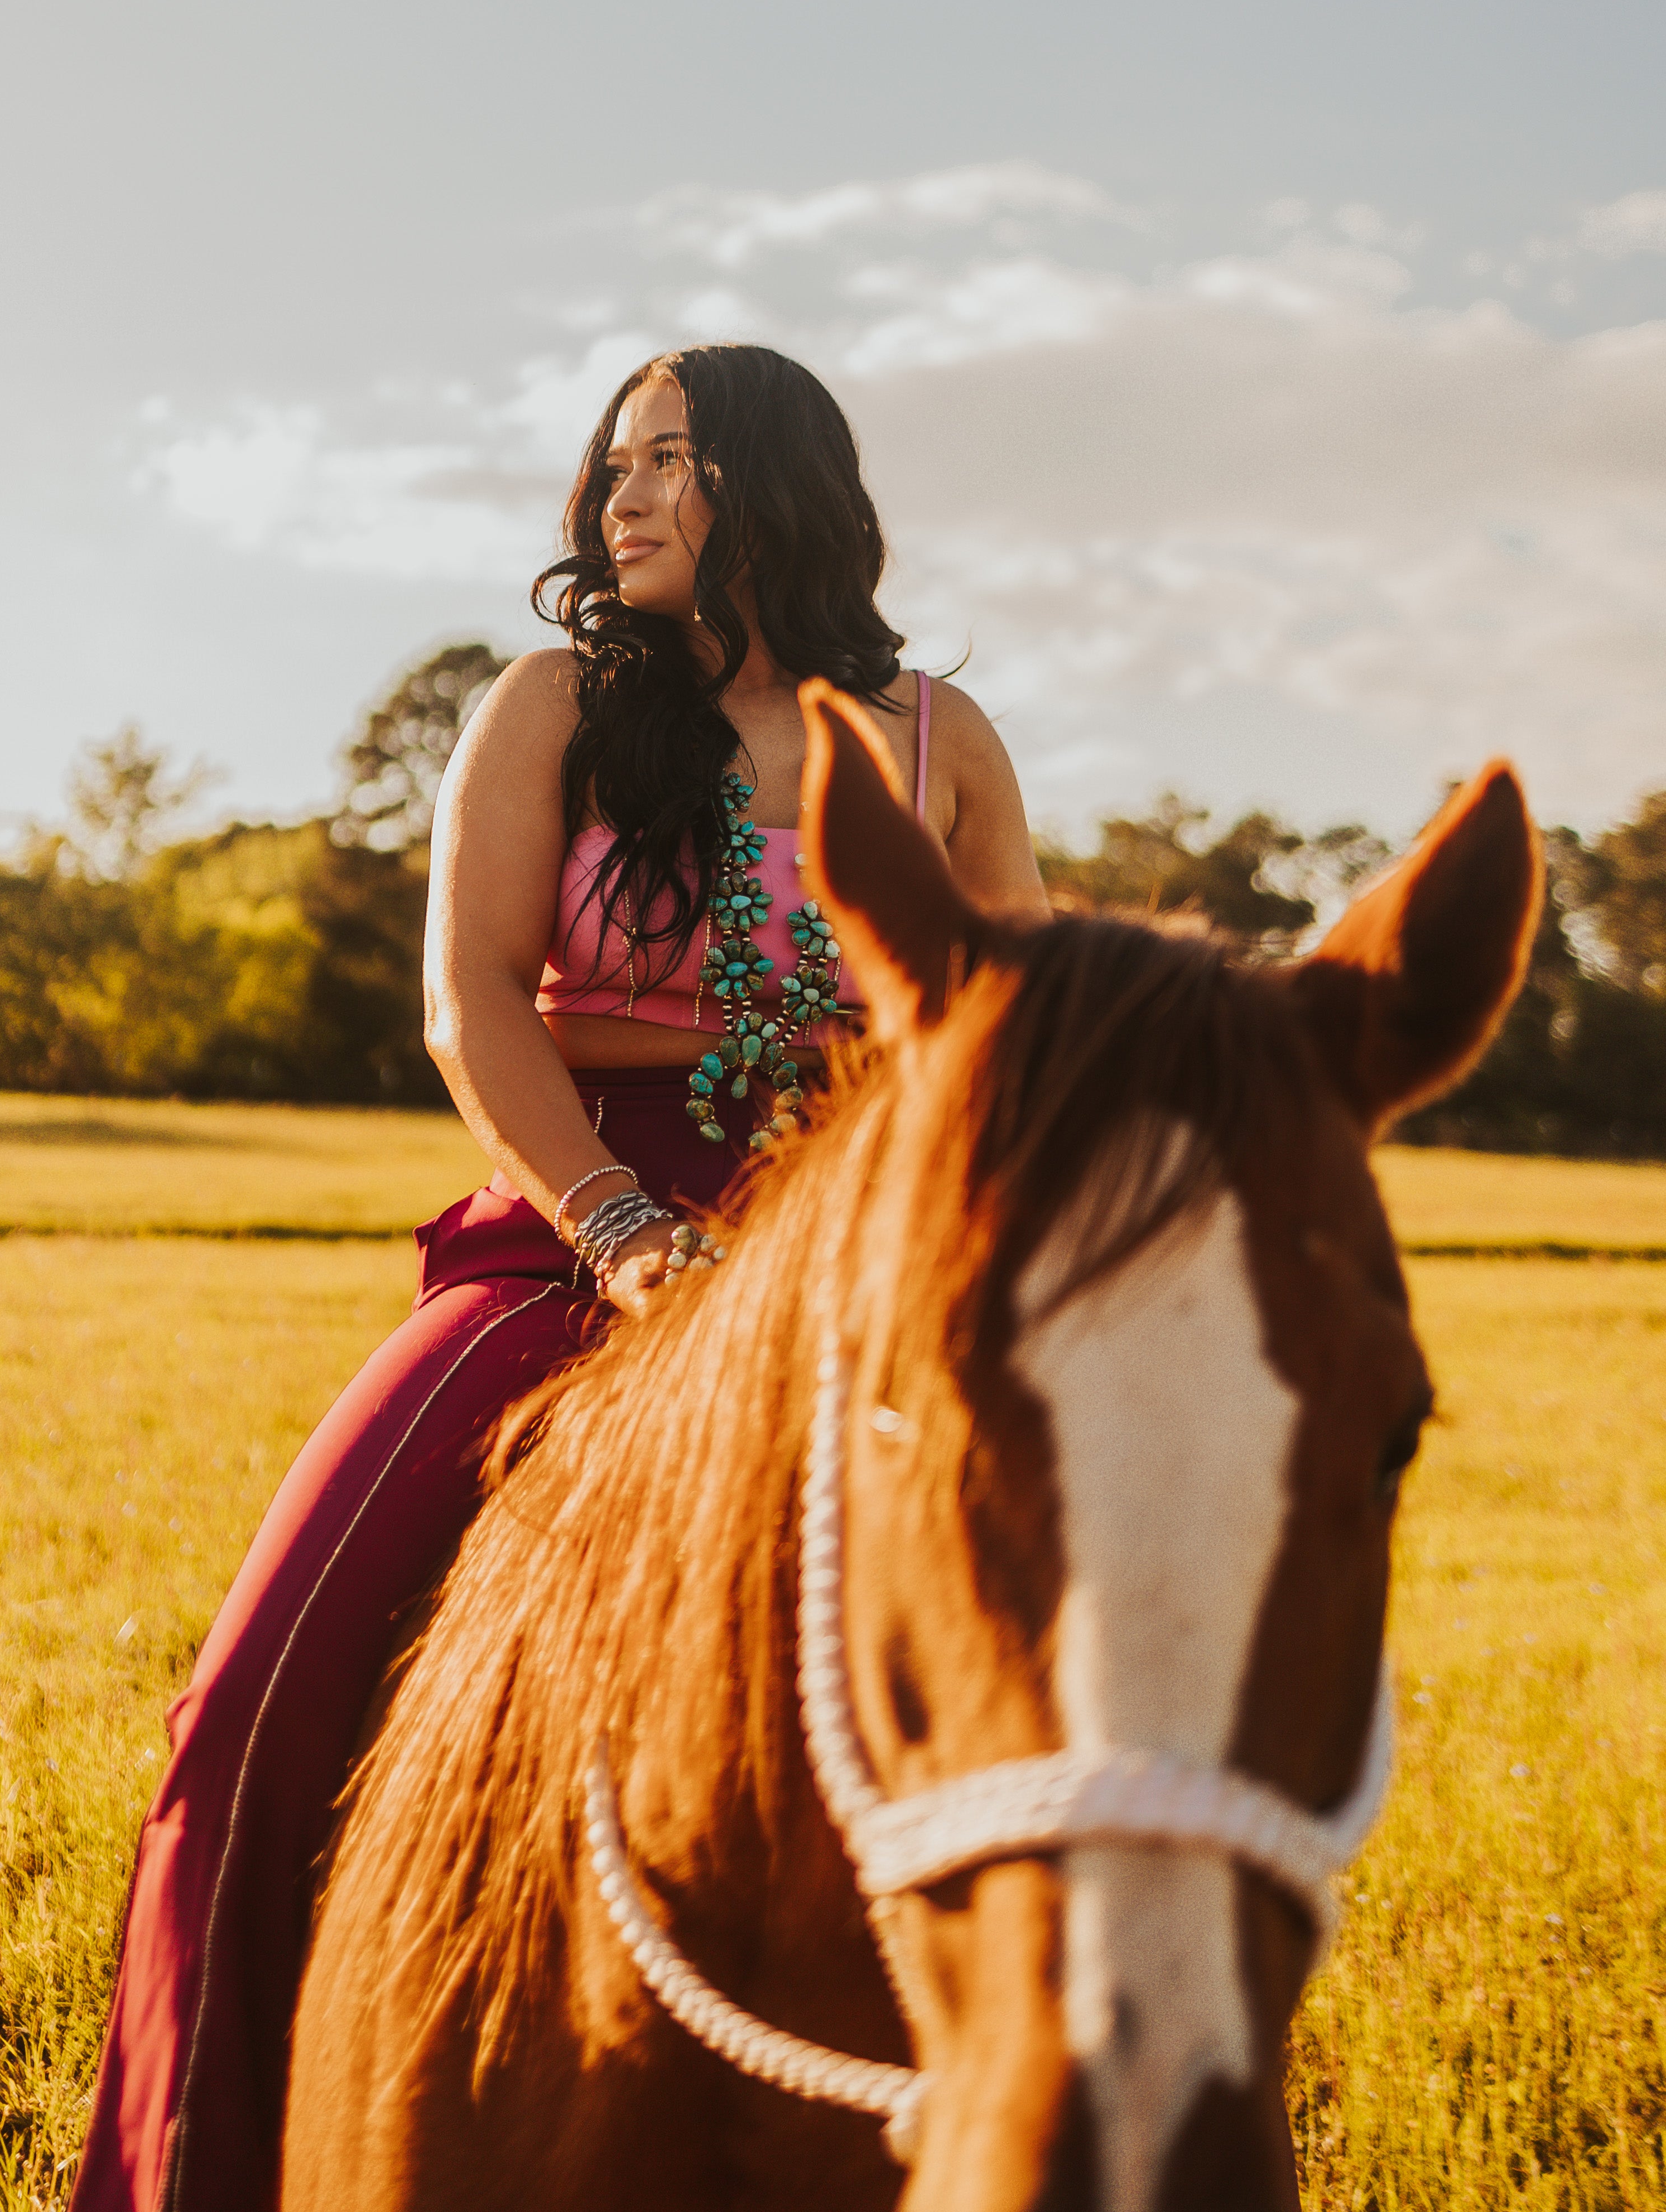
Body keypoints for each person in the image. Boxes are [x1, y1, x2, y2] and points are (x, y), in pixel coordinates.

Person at [69, 343, 1047, 2212]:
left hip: (851, 1247)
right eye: (613, 465)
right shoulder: (550, 707)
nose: (621, 498)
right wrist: (618, 1227)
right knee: (250, 1705)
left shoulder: (943, 745)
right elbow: (471, 1005)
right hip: (570, 1228)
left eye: (668, 458)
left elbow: (1010, 1043)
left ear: (773, 481)